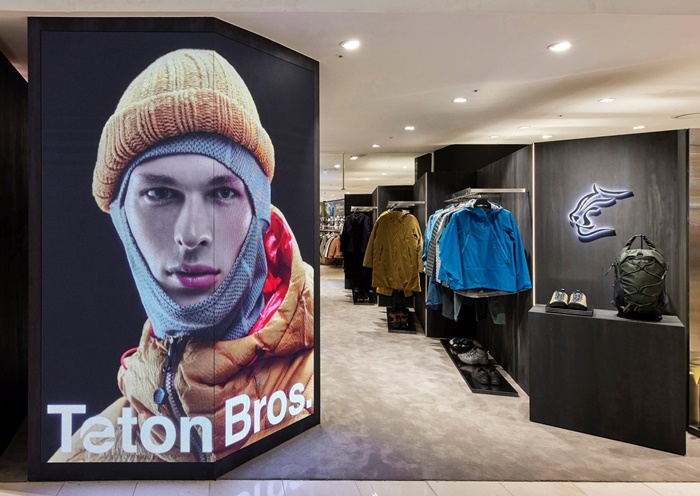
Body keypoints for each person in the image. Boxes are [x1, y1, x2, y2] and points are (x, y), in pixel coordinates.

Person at [50, 49, 314, 462]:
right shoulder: (86, 458)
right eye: (160, 193)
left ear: (259, 209)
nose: (191, 235)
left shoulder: (331, 380)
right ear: (120, 215)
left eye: (223, 193)